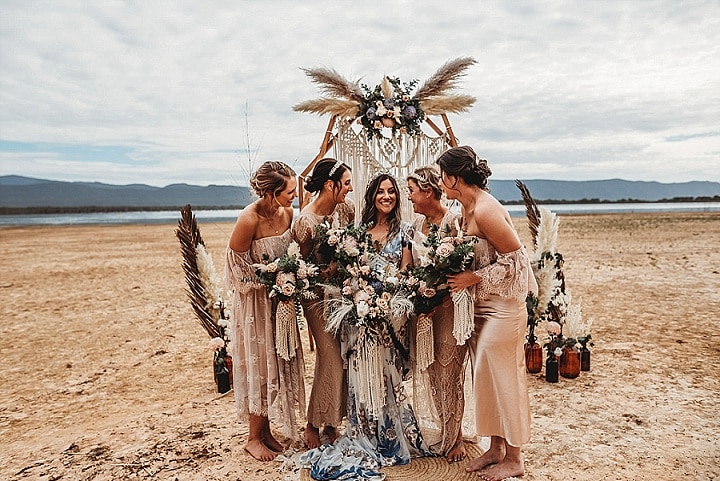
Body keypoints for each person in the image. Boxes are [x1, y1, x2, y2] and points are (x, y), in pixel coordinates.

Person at [436, 146, 537, 481]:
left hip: (504, 308)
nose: (440, 181)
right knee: (485, 378)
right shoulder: (460, 209)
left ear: (453, 177)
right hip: (478, 309)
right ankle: (494, 448)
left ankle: (515, 457)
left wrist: (472, 277)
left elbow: (517, 262)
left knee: (505, 377)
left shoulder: (486, 210)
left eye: (442, 176)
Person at [342, 172, 432, 465]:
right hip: (360, 317)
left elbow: (406, 275)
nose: (387, 196)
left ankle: (391, 436)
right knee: (361, 376)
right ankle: (364, 433)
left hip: (390, 317)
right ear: (371, 196)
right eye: (381, 191)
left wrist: (388, 302)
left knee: (387, 377)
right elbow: (350, 275)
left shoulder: (405, 231)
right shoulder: (358, 234)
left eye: (392, 191)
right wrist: (360, 301)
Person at [225, 161, 306, 462]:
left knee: (278, 363)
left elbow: (293, 253)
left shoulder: (288, 213)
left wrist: (290, 279)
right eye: (289, 192)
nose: (294, 197)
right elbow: (236, 269)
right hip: (255, 304)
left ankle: (267, 432)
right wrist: (270, 279)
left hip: (281, 304)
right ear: (271, 193)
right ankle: (252, 438)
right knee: (261, 367)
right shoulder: (249, 219)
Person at [406, 166, 469, 463]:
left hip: (448, 310)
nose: (410, 197)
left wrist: (438, 298)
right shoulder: (416, 223)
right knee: (432, 373)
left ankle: (455, 438)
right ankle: (445, 430)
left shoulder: (454, 222)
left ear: (428, 192)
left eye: (412, 191)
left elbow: (461, 269)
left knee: (450, 373)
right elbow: (409, 266)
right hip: (423, 313)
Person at [290, 158, 354, 449]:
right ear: (331, 185)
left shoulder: (346, 210)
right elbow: (299, 268)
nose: (350, 189)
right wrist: (323, 272)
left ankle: (332, 421)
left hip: (344, 294)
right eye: (347, 183)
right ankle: (312, 424)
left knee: (343, 354)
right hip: (315, 298)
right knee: (329, 356)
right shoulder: (305, 221)